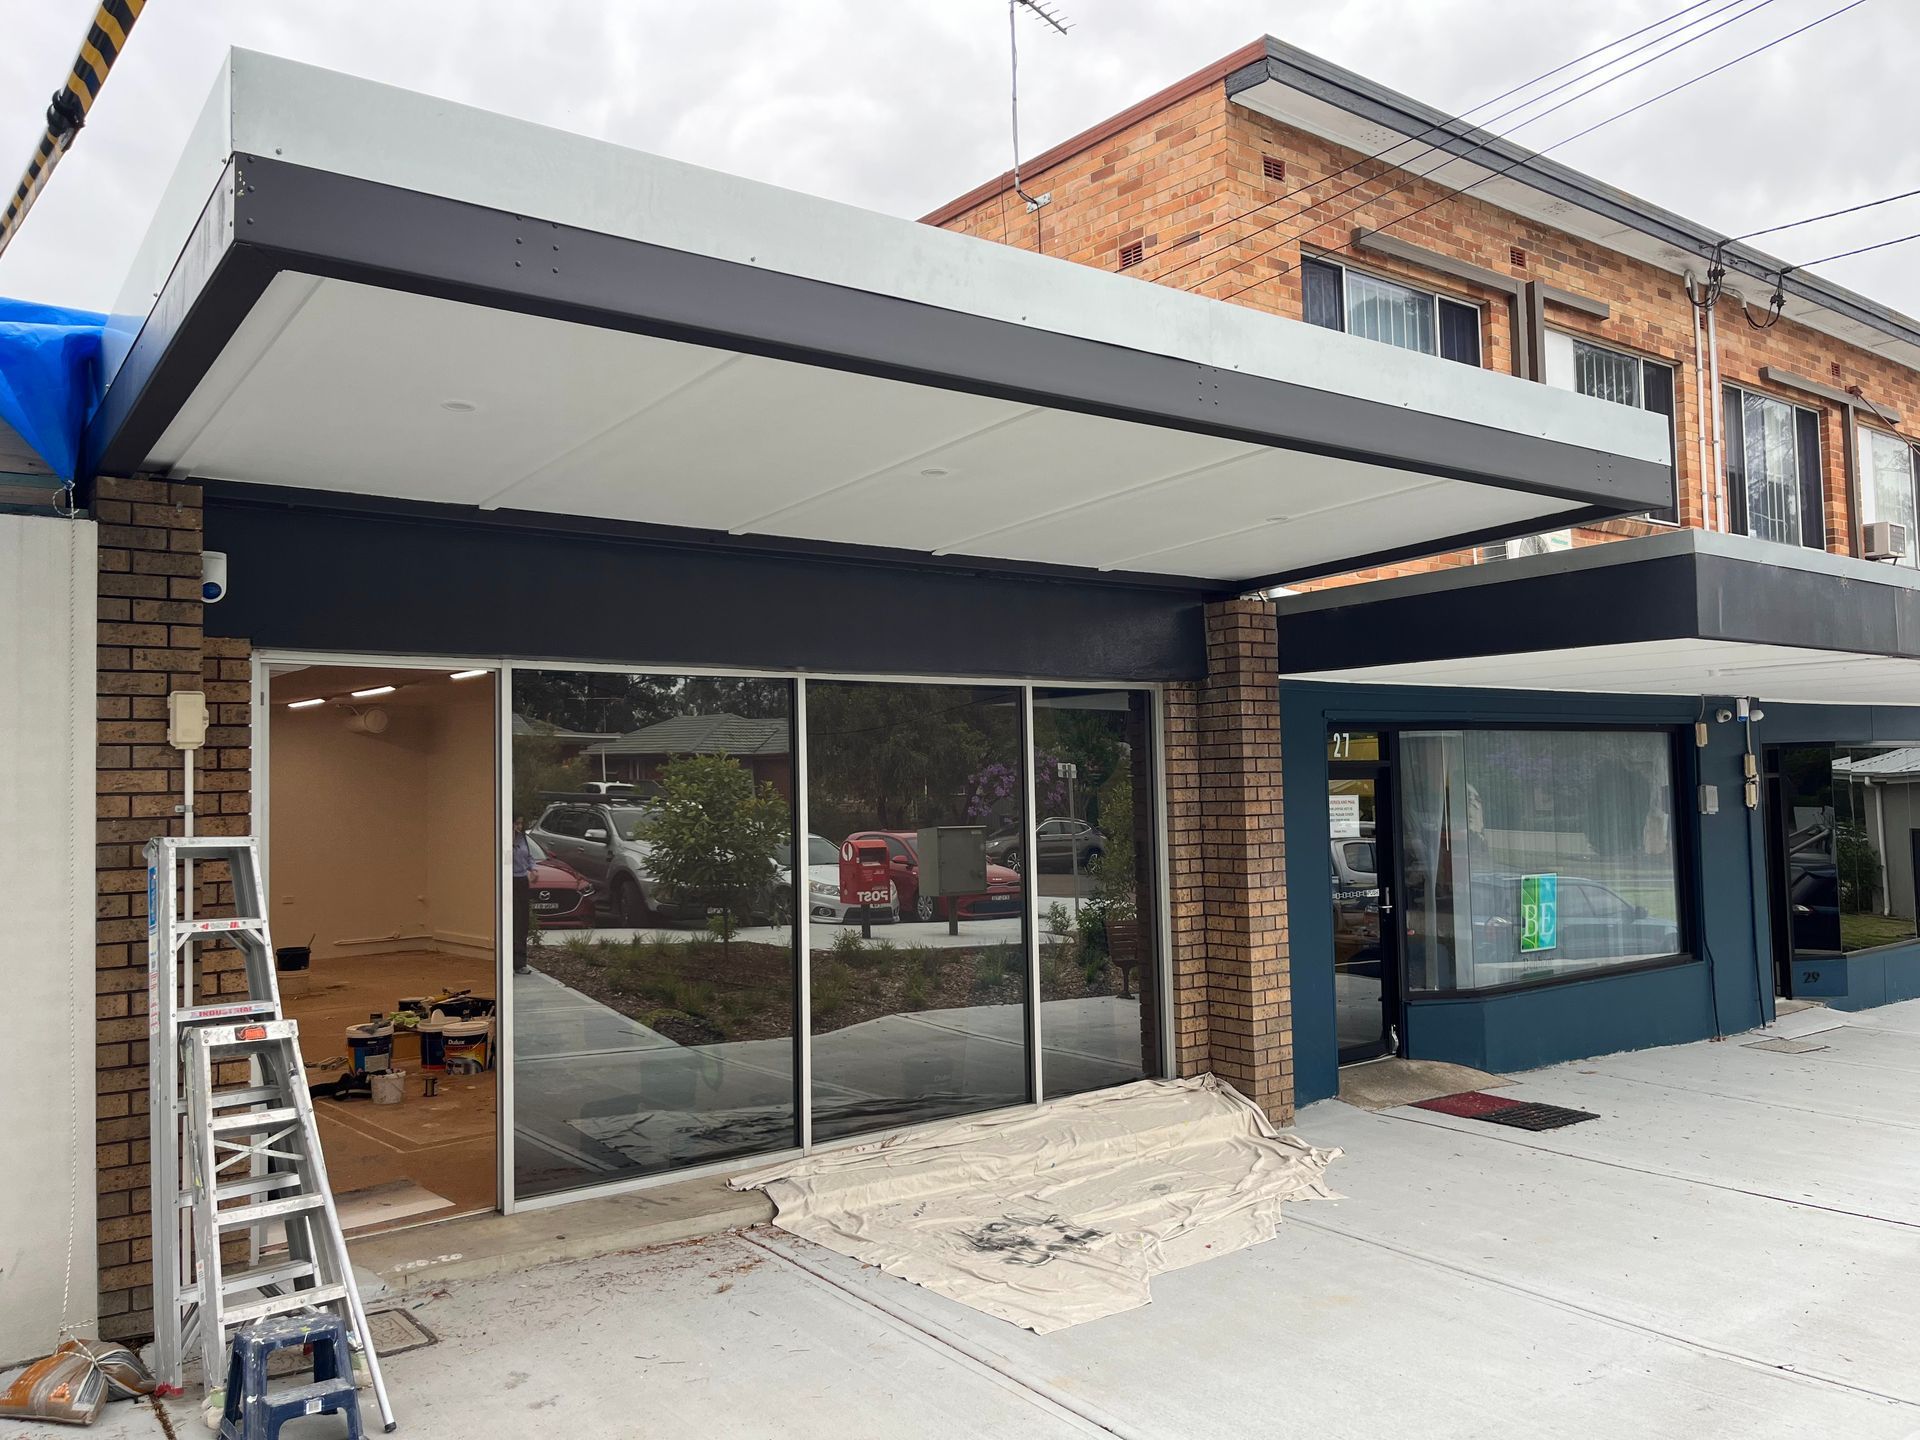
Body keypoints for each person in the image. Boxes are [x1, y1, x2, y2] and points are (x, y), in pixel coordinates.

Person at [512, 815, 534, 975]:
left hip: (522, 880)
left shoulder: (523, 838)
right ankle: (507, 962)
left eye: (521, 823)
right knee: (511, 920)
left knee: (522, 921)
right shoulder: (503, 838)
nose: (519, 826)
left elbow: (529, 856)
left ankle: (520, 962)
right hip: (508, 880)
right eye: (516, 823)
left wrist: (533, 868)